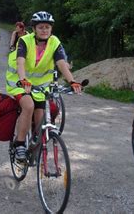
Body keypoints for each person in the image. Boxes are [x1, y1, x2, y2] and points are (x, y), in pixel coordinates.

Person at [5, 11, 82, 161]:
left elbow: (61, 63)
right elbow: (20, 61)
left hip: (40, 87)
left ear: (51, 29)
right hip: (20, 83)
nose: (44, 30)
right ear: (34, 29)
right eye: (41, 27)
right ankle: (20, 144)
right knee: (28, 106)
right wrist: (23, 80)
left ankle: (35, 146)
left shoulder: (54, 42)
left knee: (40, 123)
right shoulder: (25, 41)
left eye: (47, 27)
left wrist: (72, 82)